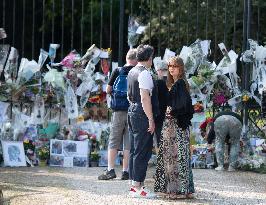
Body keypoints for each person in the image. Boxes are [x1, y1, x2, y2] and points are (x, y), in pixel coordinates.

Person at [154, 56, 195, 199]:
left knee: (174, 157)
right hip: (173, 125)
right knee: (177, 156)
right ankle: (184, 189)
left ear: (181, 68)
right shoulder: (177, 84)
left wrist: (170, 111)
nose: (171, 69)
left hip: (174, 125)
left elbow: (183, 107)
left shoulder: (180, 84)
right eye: (170, 66)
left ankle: (177, 190)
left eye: (175, 66)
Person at [98, 49, 137, 180]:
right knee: (128, 142)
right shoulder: (138, 72)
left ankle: (111, 170)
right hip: (133, 110)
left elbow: (108, 90)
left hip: (118, 110)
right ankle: (126, 171)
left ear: (126, 58)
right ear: (136, 60)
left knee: (114, 140)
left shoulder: (118, 71)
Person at [127, 44, 158, 198]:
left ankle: (134, 185)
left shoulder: (132, 70)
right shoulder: (145, 73)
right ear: (149, 58)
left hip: (132, 110)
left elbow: (129, 95)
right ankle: (138, 187)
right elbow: (145, 98)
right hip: (142, 113)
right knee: (142, 151)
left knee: (134, 149)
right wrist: (151, 119)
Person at [154, 59, 168, 147]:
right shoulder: (173, 82)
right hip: (171, 115)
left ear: (159, 70)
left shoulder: (157, 83)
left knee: (160, 140)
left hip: (159, 115)